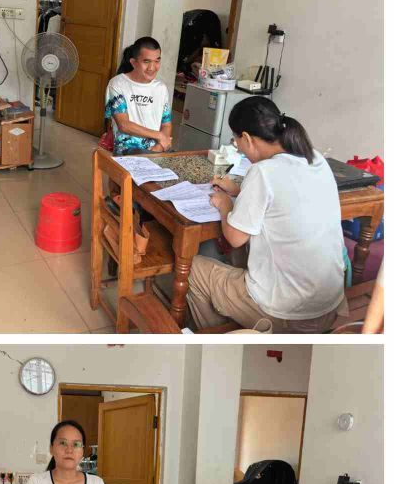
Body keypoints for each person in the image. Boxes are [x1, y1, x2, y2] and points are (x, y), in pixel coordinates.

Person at [187, 96, 347, 333]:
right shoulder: (315, 158)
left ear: (247, 138)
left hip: (289, 314)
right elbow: (286, 198)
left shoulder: (263, 172)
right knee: (247, 252)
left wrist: (224, 204)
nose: (239, 148)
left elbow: (235, 237)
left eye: (236, 142)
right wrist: (240, 191)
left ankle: (226, 333)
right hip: (328, 304)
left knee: (195, 270)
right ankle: (240, 318)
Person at [104, 37, 173, 155]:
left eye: (157, 61)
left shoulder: (161, 88)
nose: (152, 67)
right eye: (146, 61)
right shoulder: (117, 84)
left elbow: (166, 124)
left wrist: (159, 147)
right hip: (127, 151)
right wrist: (159, 136)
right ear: (133, 62)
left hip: (157, 149)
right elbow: (124, 125)